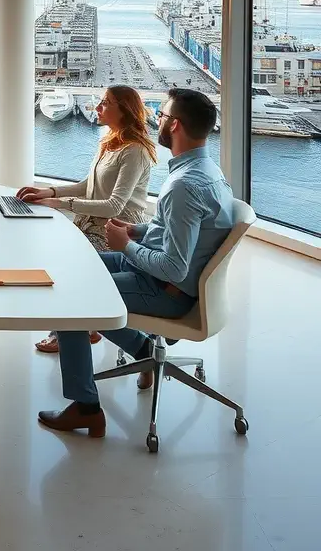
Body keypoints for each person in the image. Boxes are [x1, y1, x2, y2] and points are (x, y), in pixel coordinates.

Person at [37, 88, 233, 438]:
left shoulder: (183, 185)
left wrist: (126, 246)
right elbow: (171, 230)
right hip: (154, 272)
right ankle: (142, 349)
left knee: (70, 298)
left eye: (163, 115)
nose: (157, 118)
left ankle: (86, 408)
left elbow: (175, 268)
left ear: (174, 126)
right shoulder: (206, 170)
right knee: (76, 269)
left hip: (166, 289)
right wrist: (136, 230)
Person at [17, 85, 156, 353]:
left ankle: (69, 330)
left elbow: (115, 206)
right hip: (89, 223)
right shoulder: (110, 141)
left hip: (114, 231)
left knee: (69, 273)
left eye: (106, 102)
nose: (99, 106)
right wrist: (48, 191)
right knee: (54, 256)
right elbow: (87, 184)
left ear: (124, 110)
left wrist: (59, 203)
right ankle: (89, 328)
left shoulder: (134, 151)